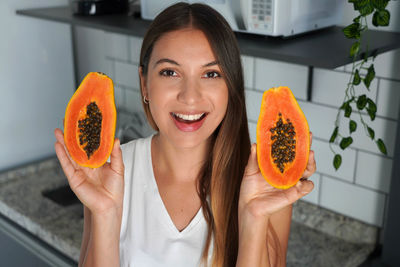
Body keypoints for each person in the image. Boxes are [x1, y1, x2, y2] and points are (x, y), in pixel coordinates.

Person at [54, 2, 316, 267]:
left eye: (211, 74)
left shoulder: (266, 186)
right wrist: (105, 212)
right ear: (145, 84)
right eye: (170, 72)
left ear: (231, 87)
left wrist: (254, 217)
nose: (190, 96)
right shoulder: (107, 174)